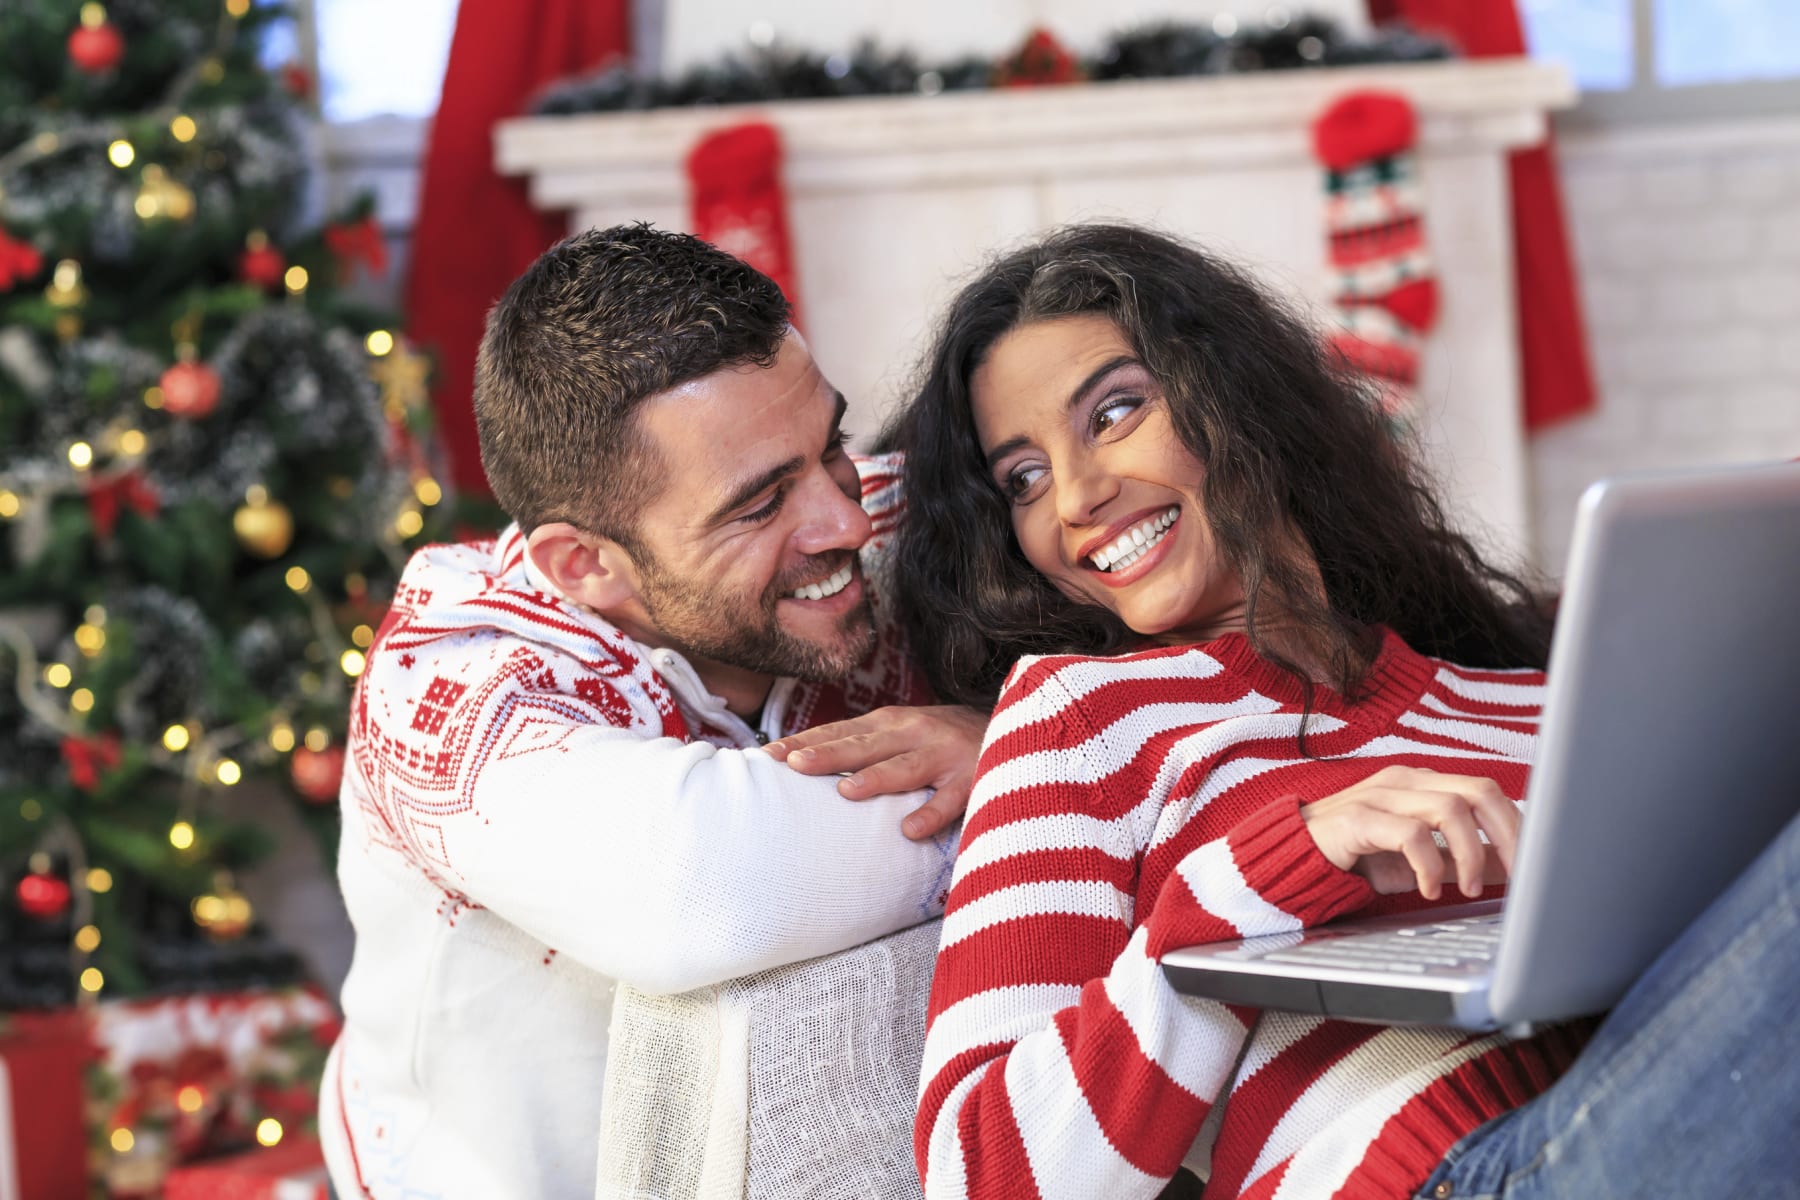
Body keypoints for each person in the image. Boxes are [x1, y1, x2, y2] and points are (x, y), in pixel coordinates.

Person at [892, 223, 1800, 1199]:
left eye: (1113, 413)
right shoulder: (1079, 722)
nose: (1075, 496)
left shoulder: (1531, 698)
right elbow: (979, 1174)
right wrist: (1269, 875)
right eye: (1021, 478)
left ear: (1238, 391)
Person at [320, 224, 983, 1200]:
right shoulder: (451, 681)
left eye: (829, 443)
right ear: (584, 565)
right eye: (760, 505)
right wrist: (1038, 760)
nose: (845, 520)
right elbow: (706, 888)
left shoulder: (871, 534)